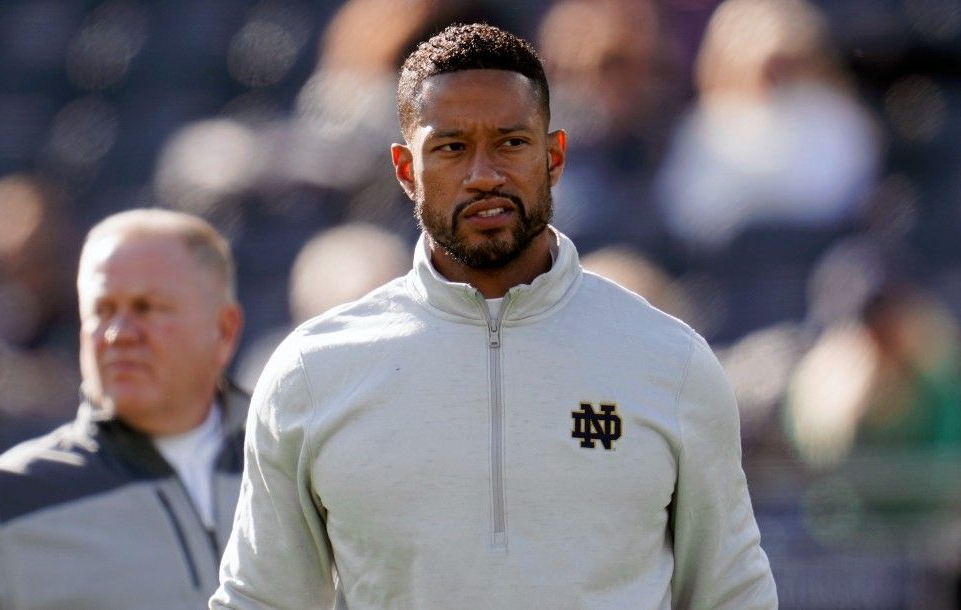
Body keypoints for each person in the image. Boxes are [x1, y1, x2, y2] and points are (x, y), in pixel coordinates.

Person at [212, 23, 776, 609]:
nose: (484, 174)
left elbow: (732, 593)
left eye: (511, 142)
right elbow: (261, 599)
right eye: (452, 147)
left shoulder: (673, 364)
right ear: (406, 171)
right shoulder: (311, 372)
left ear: (553, 157)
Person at [0, 208, 246, 609]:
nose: (120, 334)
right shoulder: (1, 500)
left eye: (148, 308)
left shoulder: (294, 473)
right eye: (102, 310)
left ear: (224, 329)